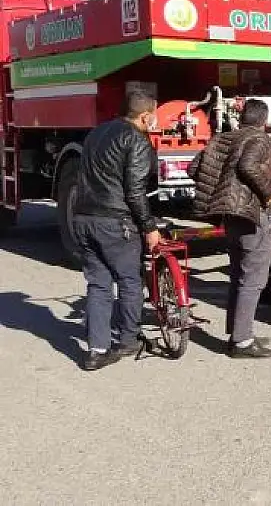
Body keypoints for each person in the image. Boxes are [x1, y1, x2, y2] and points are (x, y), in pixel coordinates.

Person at [73, 91, 161, 371]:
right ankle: (127, 339)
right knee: (130, 281)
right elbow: (135, 192)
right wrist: (149, 227)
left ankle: (97, 351)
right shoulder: (136, 140)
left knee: (98, 283)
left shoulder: (95, 133)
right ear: (145, 116)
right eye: (154, 115)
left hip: (84, 217)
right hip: (115, 222)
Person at [188, 99, 271, 358]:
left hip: (229, 215)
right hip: (251, 214)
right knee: (253, 278)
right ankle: (242, 342)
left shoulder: (222, 138)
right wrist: (266, 192)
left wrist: (222, 190)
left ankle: (239, 331)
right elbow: (247, 166)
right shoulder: (261, 139)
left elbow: (195, 168)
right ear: (264, 121)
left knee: (240, 273)